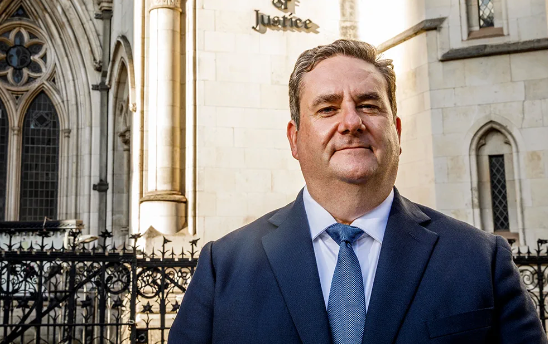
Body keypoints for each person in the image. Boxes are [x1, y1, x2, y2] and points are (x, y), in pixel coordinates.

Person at [168, 39, 547, 344]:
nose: (351, 122)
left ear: (397, 131)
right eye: (328, 109)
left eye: (368, 105)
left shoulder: (479, 260)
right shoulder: (225, 266)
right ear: (294, 139)